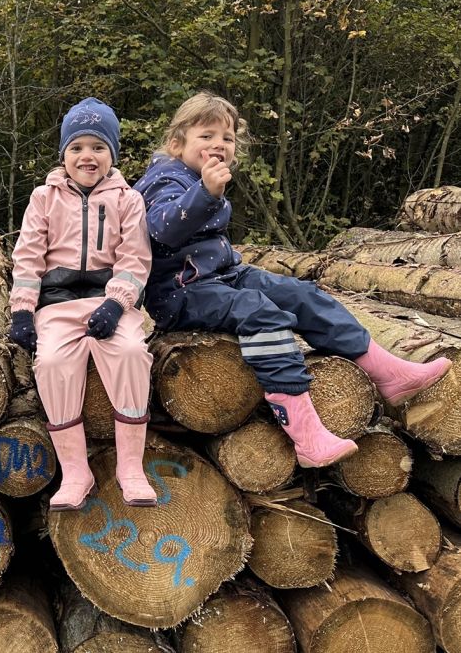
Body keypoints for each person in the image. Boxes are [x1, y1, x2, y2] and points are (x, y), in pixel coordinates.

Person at [133, 92, 451, 467]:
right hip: (180, 294)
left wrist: (207, 190)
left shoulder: (199, 177)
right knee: (258, 312)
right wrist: (205, 193)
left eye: (228, 138)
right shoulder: (162, 179)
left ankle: (386, 371)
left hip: (224, 276)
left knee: (301, 294)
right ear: (176, 144)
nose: (219, 144)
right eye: (206, 135)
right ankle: (306, 435)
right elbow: (159, 232)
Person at [8, 97, 157, 510]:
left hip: (109, 301)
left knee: (130, 351)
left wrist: (116, 303)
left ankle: (131, 468)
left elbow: (135, 257)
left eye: (97, 147)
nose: (86, 156)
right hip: (56, 304)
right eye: (76, 148)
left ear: (112, 153)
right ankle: (76, 471)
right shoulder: (44, 197)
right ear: (63, 155)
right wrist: (22, 309)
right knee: (52, 363)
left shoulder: (128, 199)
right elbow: (28, 255)